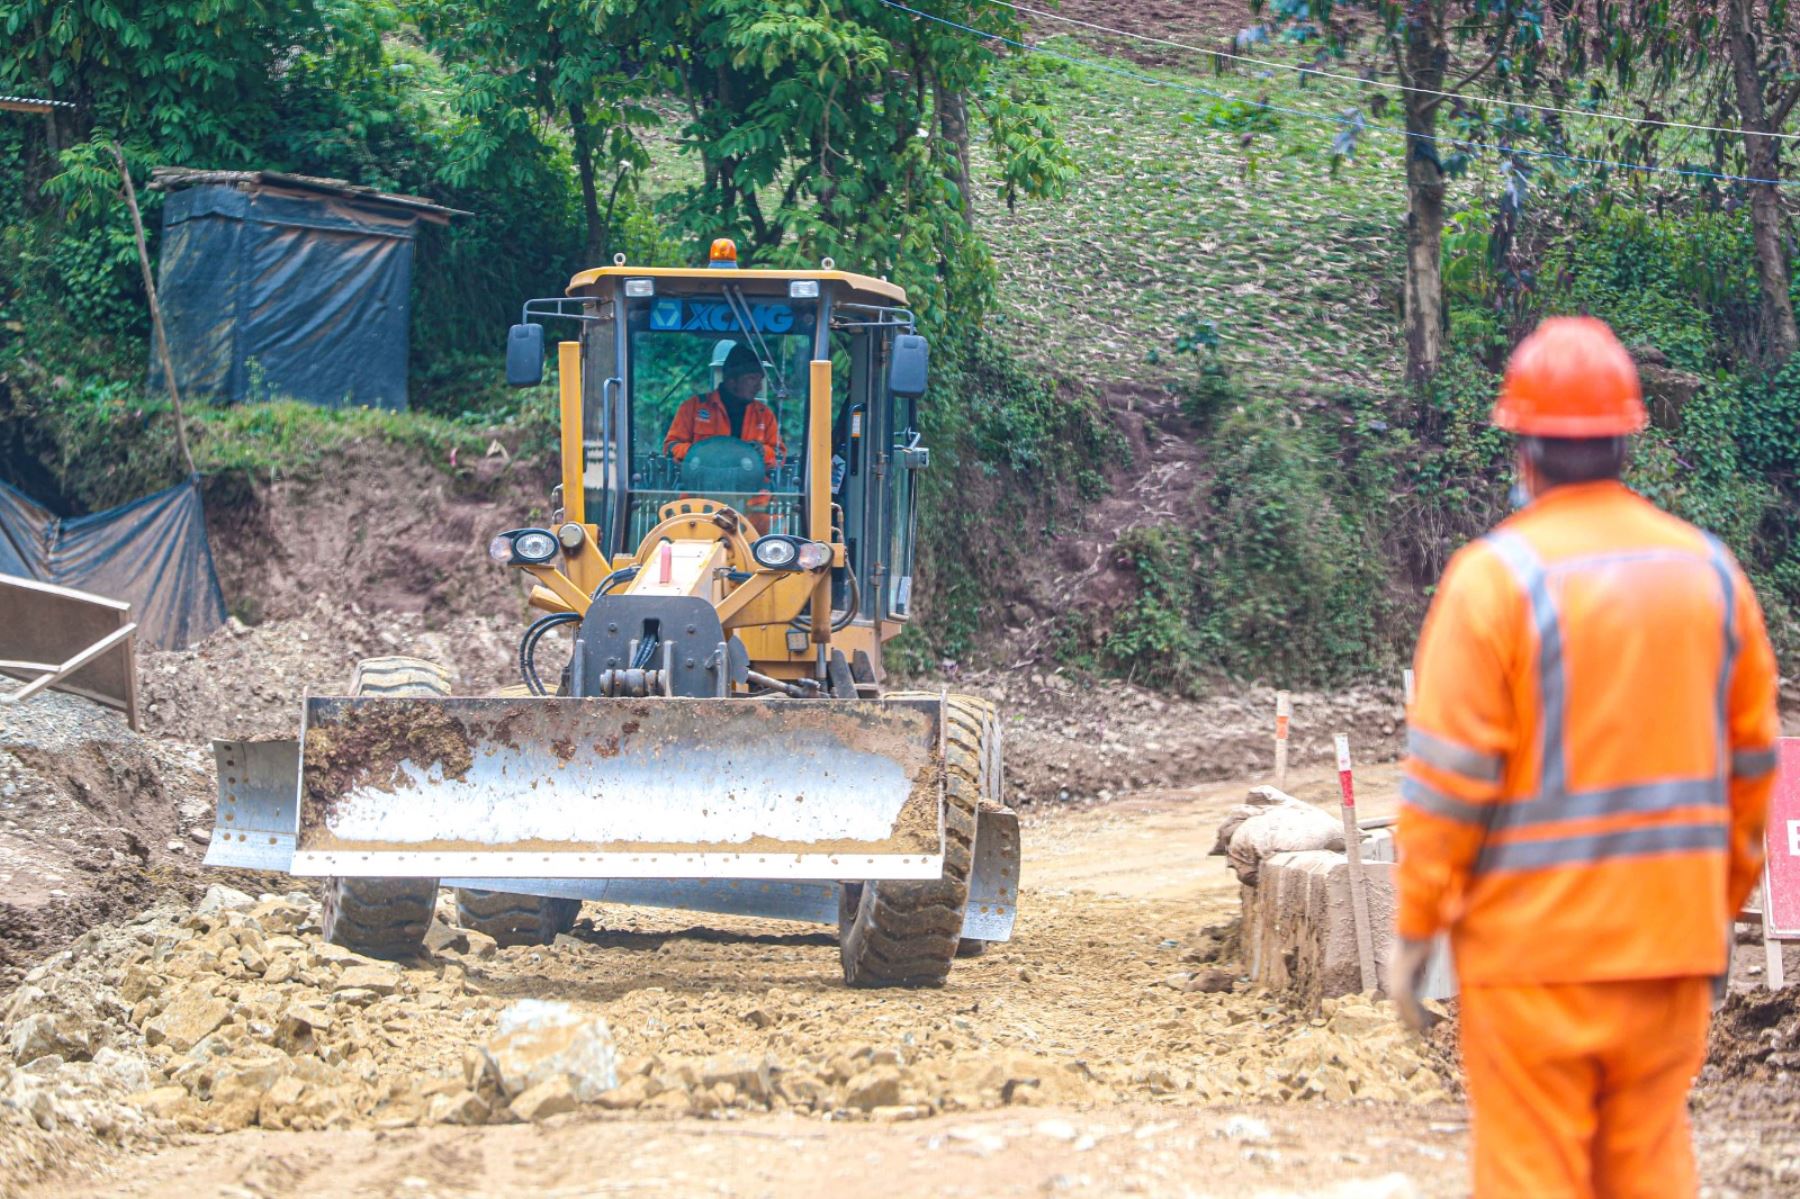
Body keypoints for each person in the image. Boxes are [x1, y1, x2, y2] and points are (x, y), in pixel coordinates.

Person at [1388, 316, 1779, 1199]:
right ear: (1629, 443)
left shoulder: (1494, 582)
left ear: (1521, 447)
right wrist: (1709, 911)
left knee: (1534, 1176)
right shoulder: (1713, 577)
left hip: (1533, 966)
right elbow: (1753, 776)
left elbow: (1447, 790)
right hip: (1668, 956)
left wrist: (1417, 931)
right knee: (1650, 1169)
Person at [664, 342, 784, 470]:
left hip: (751, 488)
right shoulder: (692, 407)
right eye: (752, 379)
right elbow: (670, 446)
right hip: (699, 485)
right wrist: (697, 451)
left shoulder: (764, 414)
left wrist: (762, 452)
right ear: (731, 380)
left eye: (760, 380)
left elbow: (780, 455)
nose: (759, 386)